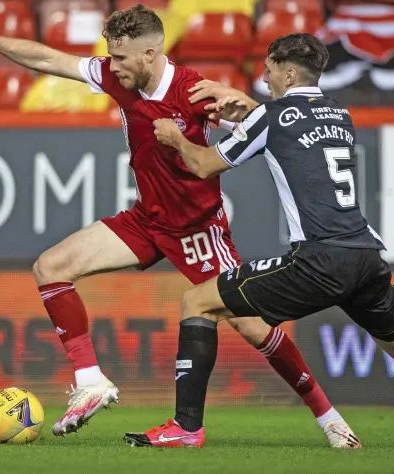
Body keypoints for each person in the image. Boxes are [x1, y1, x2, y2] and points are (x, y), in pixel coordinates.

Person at [0, 9, 355, 445]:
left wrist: (242, 105)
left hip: (199, 230)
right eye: (109, 56)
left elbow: (262, 129)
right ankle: (91, 382)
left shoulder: (194, 91)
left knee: (255, 329)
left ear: (150, 53)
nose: (111, 66)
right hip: (147, 220)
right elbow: (48, 60)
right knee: (50, 267)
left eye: (120, 58)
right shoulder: (118, 78)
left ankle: (329, 419)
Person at [124, 32, 394, 449]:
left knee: (197, 301)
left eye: (268, 71)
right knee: (390, 340)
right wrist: (249, 111)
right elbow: (291, 126)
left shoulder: (271, 117)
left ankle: (186, 428)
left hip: (317, 261)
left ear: (288, 72)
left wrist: (175, 138)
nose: (265, 79)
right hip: (367, 256)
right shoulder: (339, 113)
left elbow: (202, 165)